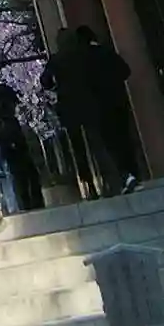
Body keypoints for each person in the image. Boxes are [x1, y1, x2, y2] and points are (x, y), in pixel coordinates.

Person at [45, 23, 138, 197]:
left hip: (70, 108)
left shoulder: (56, 60)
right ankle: (117, 178)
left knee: (78, 148)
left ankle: (90, 186)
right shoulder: (86, 53)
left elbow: (45, 81)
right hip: (91, 104)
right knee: (100, 143)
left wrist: (58, 86)